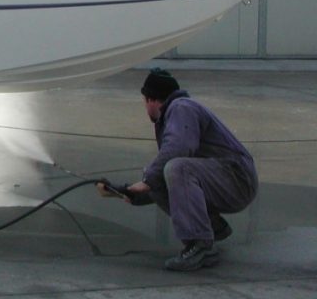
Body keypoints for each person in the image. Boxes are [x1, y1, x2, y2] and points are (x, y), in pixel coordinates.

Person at [98, 68, 259, 272]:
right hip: (228, 179)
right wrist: (126, 191)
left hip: (237, 179)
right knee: (162, 172)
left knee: (175, 167)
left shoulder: (181, 108)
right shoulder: (175, 112)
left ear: (150, 99)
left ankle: (200, 246)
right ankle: (212, 227)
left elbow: (178, 149)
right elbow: (168, 183)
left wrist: (147, 180)